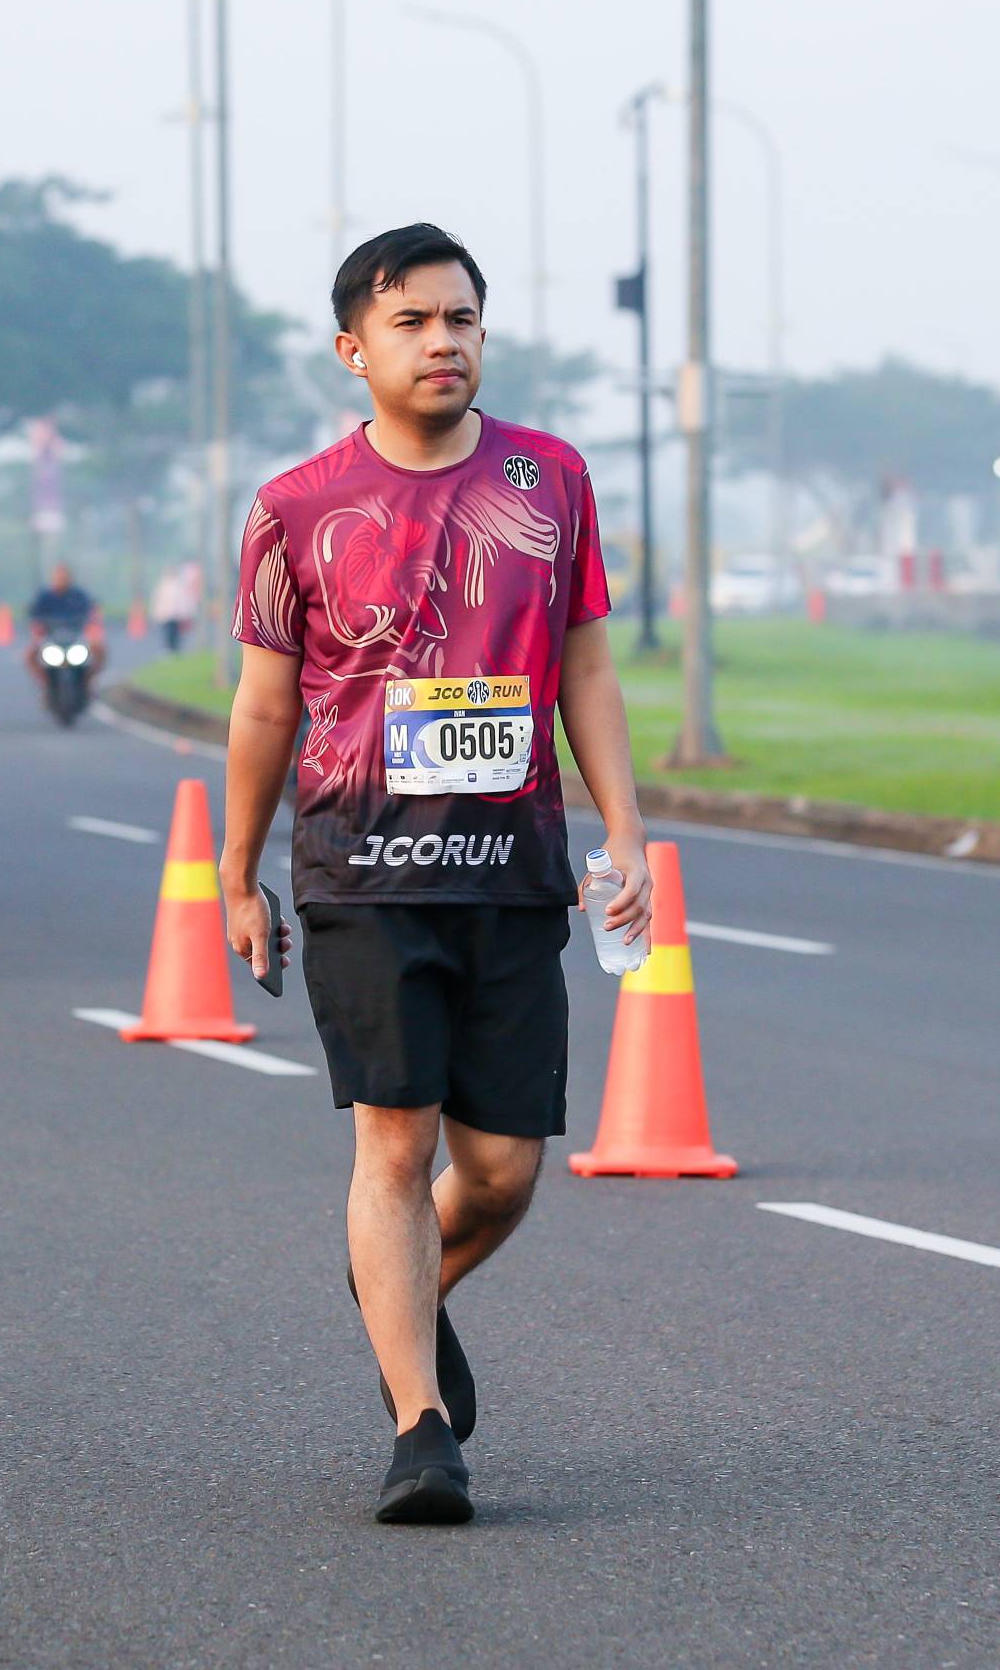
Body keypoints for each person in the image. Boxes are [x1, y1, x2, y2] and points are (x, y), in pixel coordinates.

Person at [218, 224, 652, 1525]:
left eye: (461, 318)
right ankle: (420, 1429)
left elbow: (584, 666)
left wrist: (625, 834)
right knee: (395, 1141)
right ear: (354, 349)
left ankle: (398, 1285)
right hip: (363, 870)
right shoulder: (295, 508)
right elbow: (263, 706)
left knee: (505, 1169)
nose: (442, 341)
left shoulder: (549, 478)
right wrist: (235, 872)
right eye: (411, 321)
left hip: (512, 870)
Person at [25, 561, 101, 689]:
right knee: (30, 654)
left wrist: (92, 627)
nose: (62, 579)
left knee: (99, 648)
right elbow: (35, 617)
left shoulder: (79, 595)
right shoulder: (44, 596)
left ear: (70, 578)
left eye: (64, 577)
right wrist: (37, 630)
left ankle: (88, 681)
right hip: (51, 637)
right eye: (59, 577)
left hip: (76, 637)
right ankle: (45, 683)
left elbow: (91, 615)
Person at [151, 560, 200, 653]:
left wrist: (186, 612)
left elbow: (183, 599)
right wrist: (156, 612)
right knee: (167, 631)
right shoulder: (163, 584)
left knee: (176, 632)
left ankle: (175, 648)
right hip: (166, 614)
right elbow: (158, 599)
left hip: (176, 614)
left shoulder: (178, 584)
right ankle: (169, 647)